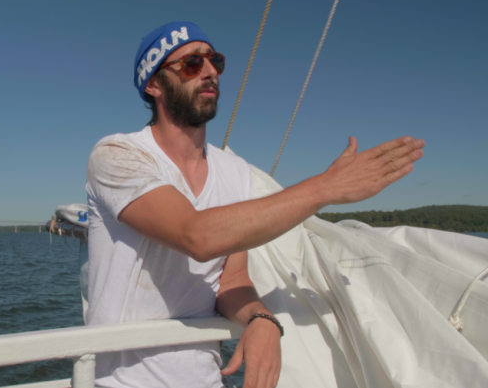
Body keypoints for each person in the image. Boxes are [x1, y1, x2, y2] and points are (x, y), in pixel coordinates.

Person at [84, 21, 425, 388]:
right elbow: (196, 234)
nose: (211, 71)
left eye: (215, 61)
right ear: (153, 85)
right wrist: (325, 188)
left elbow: (230, 279)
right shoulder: (117, 155)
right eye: (192, 64)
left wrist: (261, 318)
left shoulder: (235, 172)